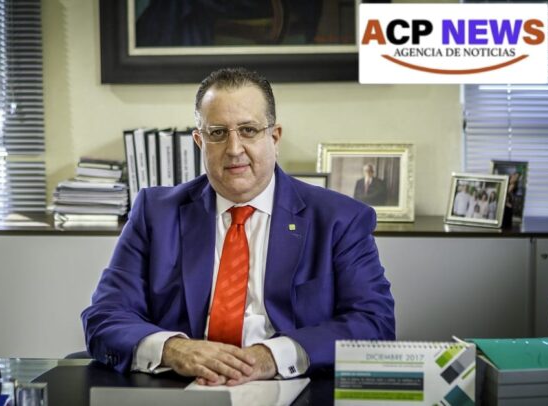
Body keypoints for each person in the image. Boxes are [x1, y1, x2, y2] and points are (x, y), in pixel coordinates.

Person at [81, 68, 395, 387]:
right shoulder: (156, 213)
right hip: (181, 384)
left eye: (248, 130)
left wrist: (272, 356)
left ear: (274, 137)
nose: (234, 148)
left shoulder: (339, 219)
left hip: (291, 382)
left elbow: (374, 323)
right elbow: (105, 316)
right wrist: (174, 349)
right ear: (200, 141)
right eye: (218, 133)